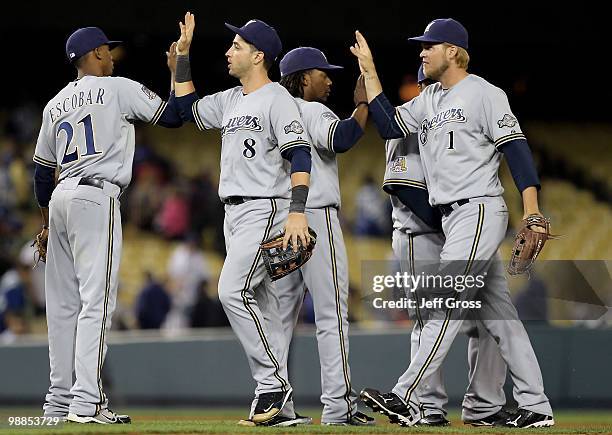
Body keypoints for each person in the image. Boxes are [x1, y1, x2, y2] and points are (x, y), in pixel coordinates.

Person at [351, 19, 554, 428]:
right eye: (421, 47)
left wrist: (531, 210)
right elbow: (389, 124)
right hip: (451, 218)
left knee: (445, 298)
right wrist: (370, 73)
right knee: (500, 315)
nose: (422, 52)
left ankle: (407, 394)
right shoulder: (429, 100)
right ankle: (537, 406)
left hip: (477, 209)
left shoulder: (484, 93)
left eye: (430, 46)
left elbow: (515, 149)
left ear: (454, 51)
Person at [33, 27, 182, 424]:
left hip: (62, 198)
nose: (113, 55)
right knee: (96, 303)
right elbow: (172, 116)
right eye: (108, 50)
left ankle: (57, 402)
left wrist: (46, 225)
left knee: (62, 307)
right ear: (96, 53)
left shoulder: (54, 104)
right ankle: (87, 402)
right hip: (95, 197)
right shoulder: (116, 87)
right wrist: (176, 71)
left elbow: (41, 175)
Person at [172, 13, 313, 426]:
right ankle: (282, 409)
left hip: (264, 206)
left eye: (237, 46)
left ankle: (270, 383)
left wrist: (297, 213)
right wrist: (183, 56)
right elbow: (184, 109)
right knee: (264, 305)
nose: (228, 50)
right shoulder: (232, 100)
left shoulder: (277, 99)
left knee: (231, 290)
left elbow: (299, 155)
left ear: (259, 56)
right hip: (232, 213)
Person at [382, 65, 509, 427]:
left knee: (485, 321)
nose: (435, 91)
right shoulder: (407, 126)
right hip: (418, 236)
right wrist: (458, 221)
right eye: (429, 85)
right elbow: (405, 189)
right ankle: (428, 407)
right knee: (428, 321)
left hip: (454, 233)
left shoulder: (454, 117)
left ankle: (484, 405)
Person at [274, 47, 374, 426]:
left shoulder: (272, 110)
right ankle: (338, 407)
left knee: (279, 319)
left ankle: (276, 406)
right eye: (322, 73)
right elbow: (343, 138)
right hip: (314, 217)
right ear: (302, 78)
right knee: (332, 314)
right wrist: (362, 104)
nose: (329, 80)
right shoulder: (312, 110)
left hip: (281, 221)